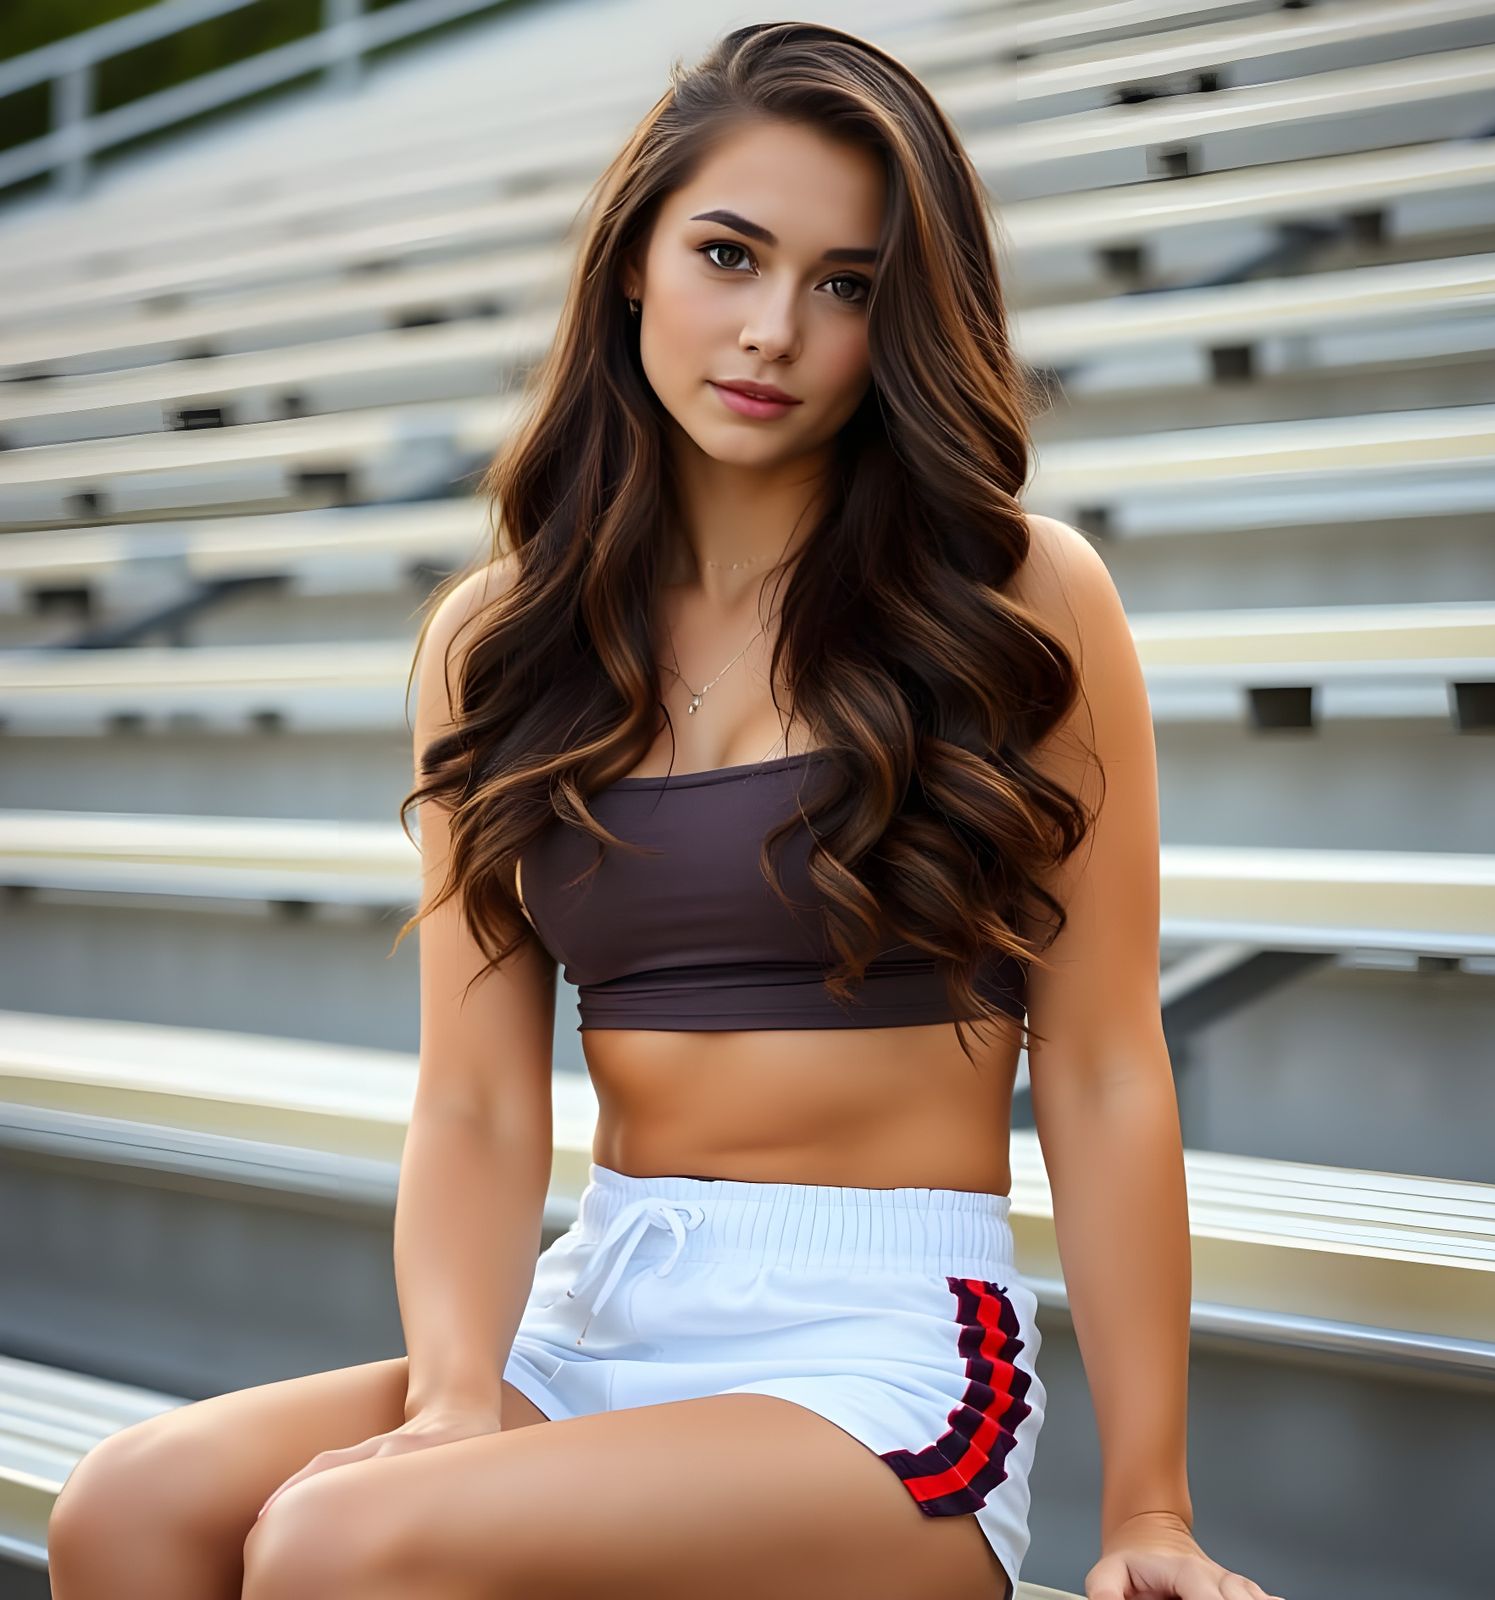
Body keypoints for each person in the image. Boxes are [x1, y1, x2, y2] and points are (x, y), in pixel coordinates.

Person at [47, 21, 1288, 1600]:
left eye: (848, 285)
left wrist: (1150, 1512)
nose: (773, 329)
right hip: (600, 1303)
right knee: (131, 1511)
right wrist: (454, 1398)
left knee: (336, 1547)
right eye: (728, 254)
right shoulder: (500, 638)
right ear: (633, 262)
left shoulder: (1021, 597)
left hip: (880, 1350)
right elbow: (476, 1100)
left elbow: (1106, 1068)